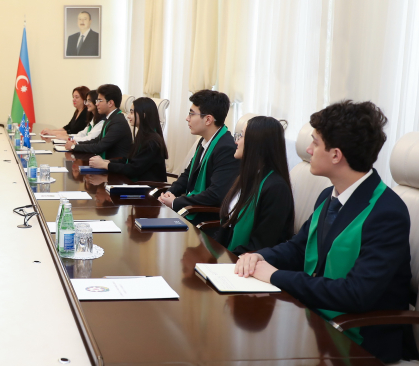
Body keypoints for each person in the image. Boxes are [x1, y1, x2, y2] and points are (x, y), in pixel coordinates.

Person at [235, 100, 414, 364]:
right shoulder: (329, 196)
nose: (308, 149)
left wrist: (275, 276)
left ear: (336, 155)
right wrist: (259, 257)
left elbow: (356, 293)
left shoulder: (387, 213)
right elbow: (299, 248)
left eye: (315, 143)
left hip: (359, 344)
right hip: (317, 321)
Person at [214, 116, 294, 254]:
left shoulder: (276, 189)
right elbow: (227, 227)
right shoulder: (248, 177)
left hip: (246, 261)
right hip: (226, 255)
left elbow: (261, 245)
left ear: (256, 143)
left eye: (241, 136)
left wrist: (224, 259)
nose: (236, 141)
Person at [159, 90, 240, 223]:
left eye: (191, 114)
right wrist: (170, 192)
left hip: (206, 221)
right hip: (192, 210)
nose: (187, 118)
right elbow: (188, 175)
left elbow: (216, 194)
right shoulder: (205, 140)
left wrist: (176, 202)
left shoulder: (226, 148)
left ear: (208, 119)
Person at [88, 96, 167, 182]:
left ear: (143, 115)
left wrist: (105, 165)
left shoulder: (152, 142)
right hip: (137, 183)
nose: (128, 116)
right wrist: (106, 162)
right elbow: (129, 160)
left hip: (147, 187)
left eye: (132, 113)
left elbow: (133, 169)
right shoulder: (143, 135)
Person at [66, 84, 132, 159]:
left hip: (114, 164)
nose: (96, 104)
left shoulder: (118, 122)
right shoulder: (111, 118)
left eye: (100, 100)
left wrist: (74, 147)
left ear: (110, 103)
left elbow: (99, 147)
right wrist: (77, 144)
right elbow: (97, 140)